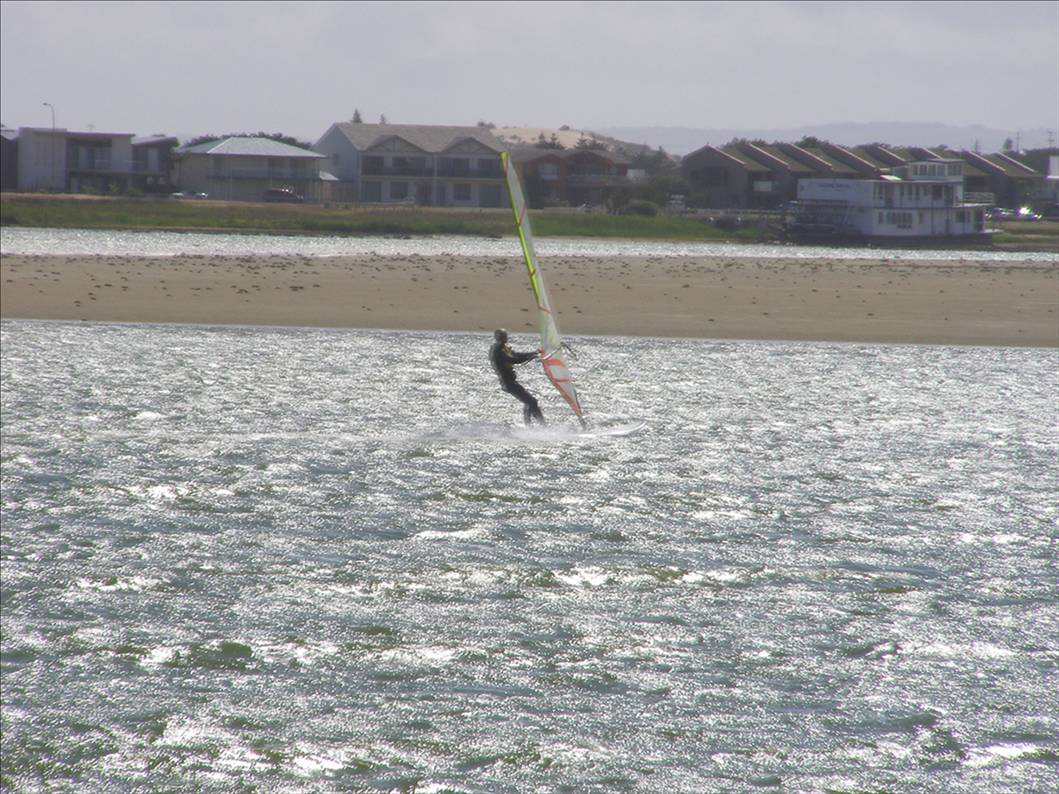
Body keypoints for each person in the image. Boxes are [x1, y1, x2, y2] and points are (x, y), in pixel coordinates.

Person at [489, 328, 545, 425]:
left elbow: (516, 354)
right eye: (503, 336)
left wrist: (534, 353)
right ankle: (530, 427)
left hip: (510, 382)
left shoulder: (503, 347)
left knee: (531, 402)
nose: (506, 337)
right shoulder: (497, 350)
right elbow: (513, 360)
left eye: (505, 335)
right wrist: (530, 357)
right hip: (508, 383)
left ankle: (542, 425)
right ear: (497, 337)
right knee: (531, 402)